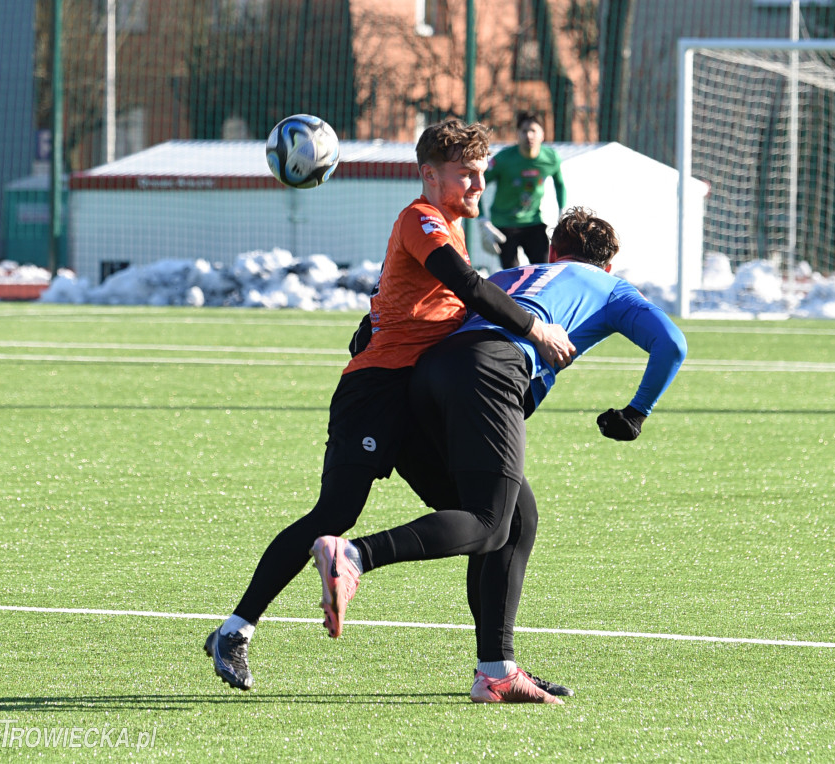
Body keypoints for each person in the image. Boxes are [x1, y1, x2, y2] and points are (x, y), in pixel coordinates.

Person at [202, 118, 575, 693]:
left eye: (481, 173)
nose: (478, 185)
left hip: (418, 401)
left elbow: (419, 301)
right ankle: (235, 629)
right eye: (466, 175)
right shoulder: (420, 218)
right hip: (376, 394)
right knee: (335, 514)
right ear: (429, 176)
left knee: (505, 518)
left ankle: (497, 669)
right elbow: (468, 286)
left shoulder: (447, 223)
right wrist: (537, 330)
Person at [311, 207, 688, 704]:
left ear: (551, 252)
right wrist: (636, 412)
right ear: (609, 265)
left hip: (426, 377)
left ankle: (496, 668)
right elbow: (672, 345)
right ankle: (355, 556)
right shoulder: (611, 288)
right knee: (491, 521)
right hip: (489, 373)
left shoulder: (510, 275)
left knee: (517, 517)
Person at [481, 111, 566, 269]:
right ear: (517, 135)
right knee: (512, 274)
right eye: (524, 131)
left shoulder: (551, 158)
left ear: (542, 134)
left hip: (533, 222)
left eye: (533, 130)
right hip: (504, 223)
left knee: (544, 270)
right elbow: (477, 184)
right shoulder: (503, 159)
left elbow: (560, 184)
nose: (529, 135)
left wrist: (562, 212)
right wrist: (482, 220)